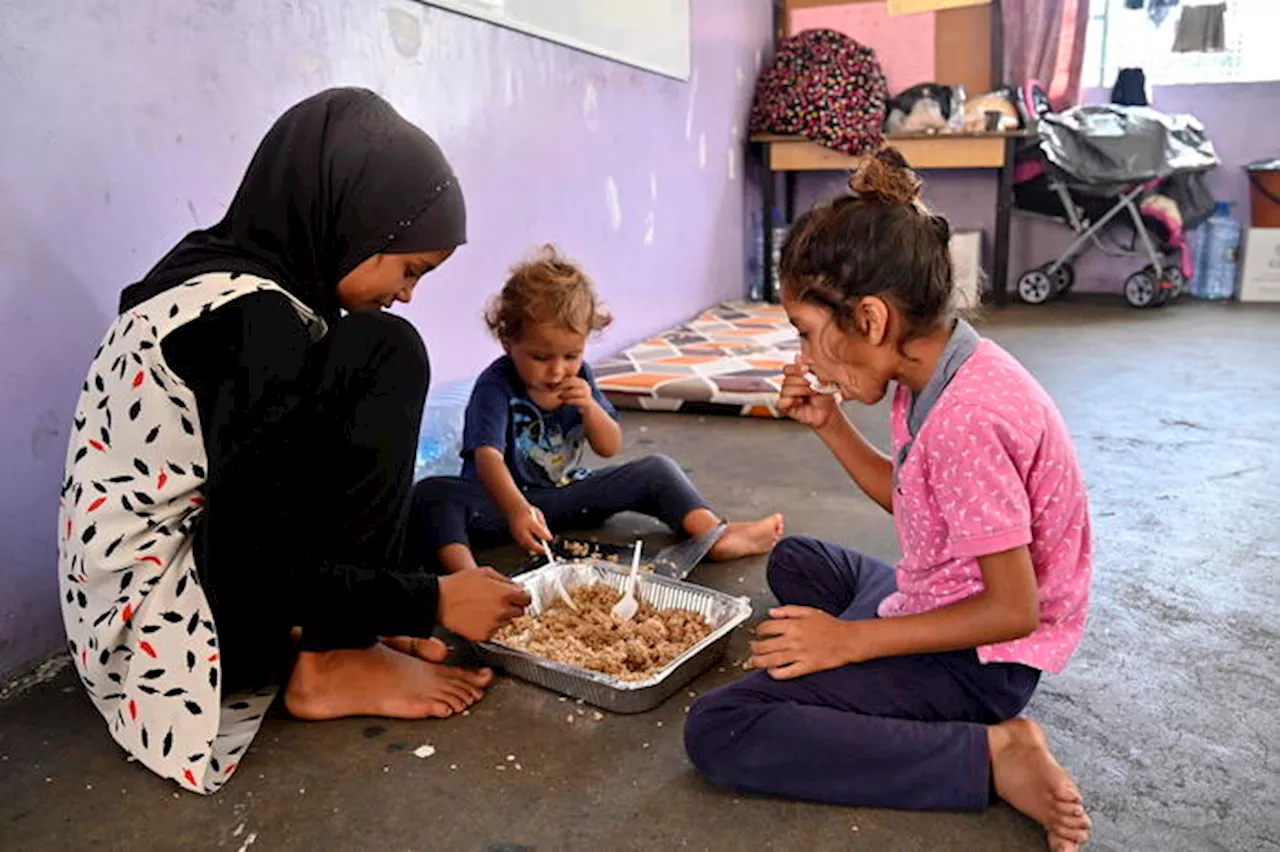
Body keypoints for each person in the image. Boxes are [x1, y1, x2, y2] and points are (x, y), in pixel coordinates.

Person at [57, 88, 530, 795]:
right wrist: (425, 600)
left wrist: (390, 596)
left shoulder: (217, 273)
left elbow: (272, 494)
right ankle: (332, 662)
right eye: (409, 269)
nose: (408, 292)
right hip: (160, 640)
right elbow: (253, 563)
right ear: (351, 219)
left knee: (361, 350)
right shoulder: (255, 326)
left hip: (127, 608)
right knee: (386, 351)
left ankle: (342, 634)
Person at [682, 148, 1094, 851]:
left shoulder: (969, 419)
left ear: (868, 319)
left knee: (723, 728)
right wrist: (830, 424)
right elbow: (918, 506)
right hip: (945, 595)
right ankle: (877, 678)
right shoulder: (935, 369)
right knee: (799, 563)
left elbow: (1012, 609)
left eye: (808, 335)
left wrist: (850, 642)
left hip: (987, 658)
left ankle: (990, 756)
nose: (807, 358)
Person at [412, 246, 784, 574]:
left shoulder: (582, 380)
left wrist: (589, 406)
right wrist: (516, 510)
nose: (557, 370)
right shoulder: (496, 385)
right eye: (541, 357)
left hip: (564, 496)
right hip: (497, 507)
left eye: (571, 356)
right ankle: (467, 575)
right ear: (509, 341)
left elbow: (609, 446)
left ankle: (711, 535)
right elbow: (487, 459)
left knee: (656, 469)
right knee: (433, 496)